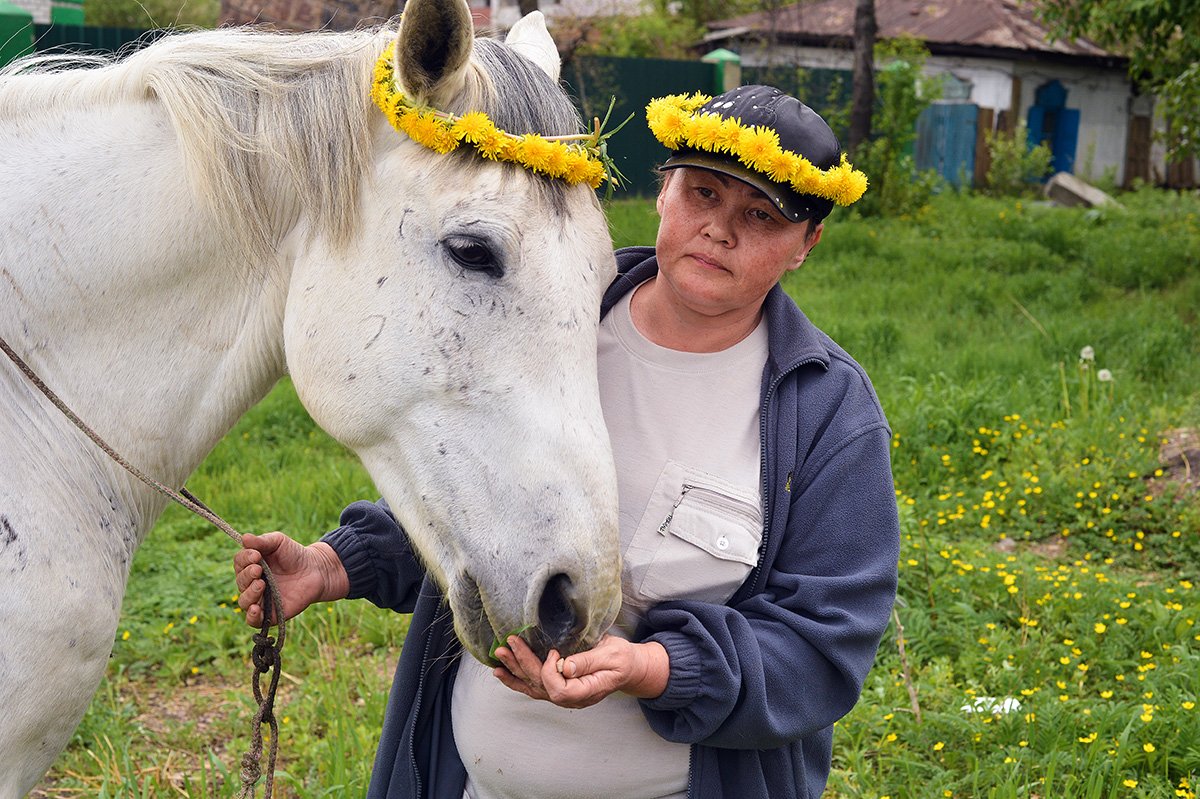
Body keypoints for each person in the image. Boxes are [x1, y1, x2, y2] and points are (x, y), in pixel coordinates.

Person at [234, 84, 900, 799]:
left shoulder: (827, 412)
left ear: (808, 243)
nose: (720, 230)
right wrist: (337, 565)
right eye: (703, 193)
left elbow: (825, 647)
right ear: (663, 193)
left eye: (761, 216)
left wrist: (654, 668)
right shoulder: (558, 314)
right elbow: (478, 487)